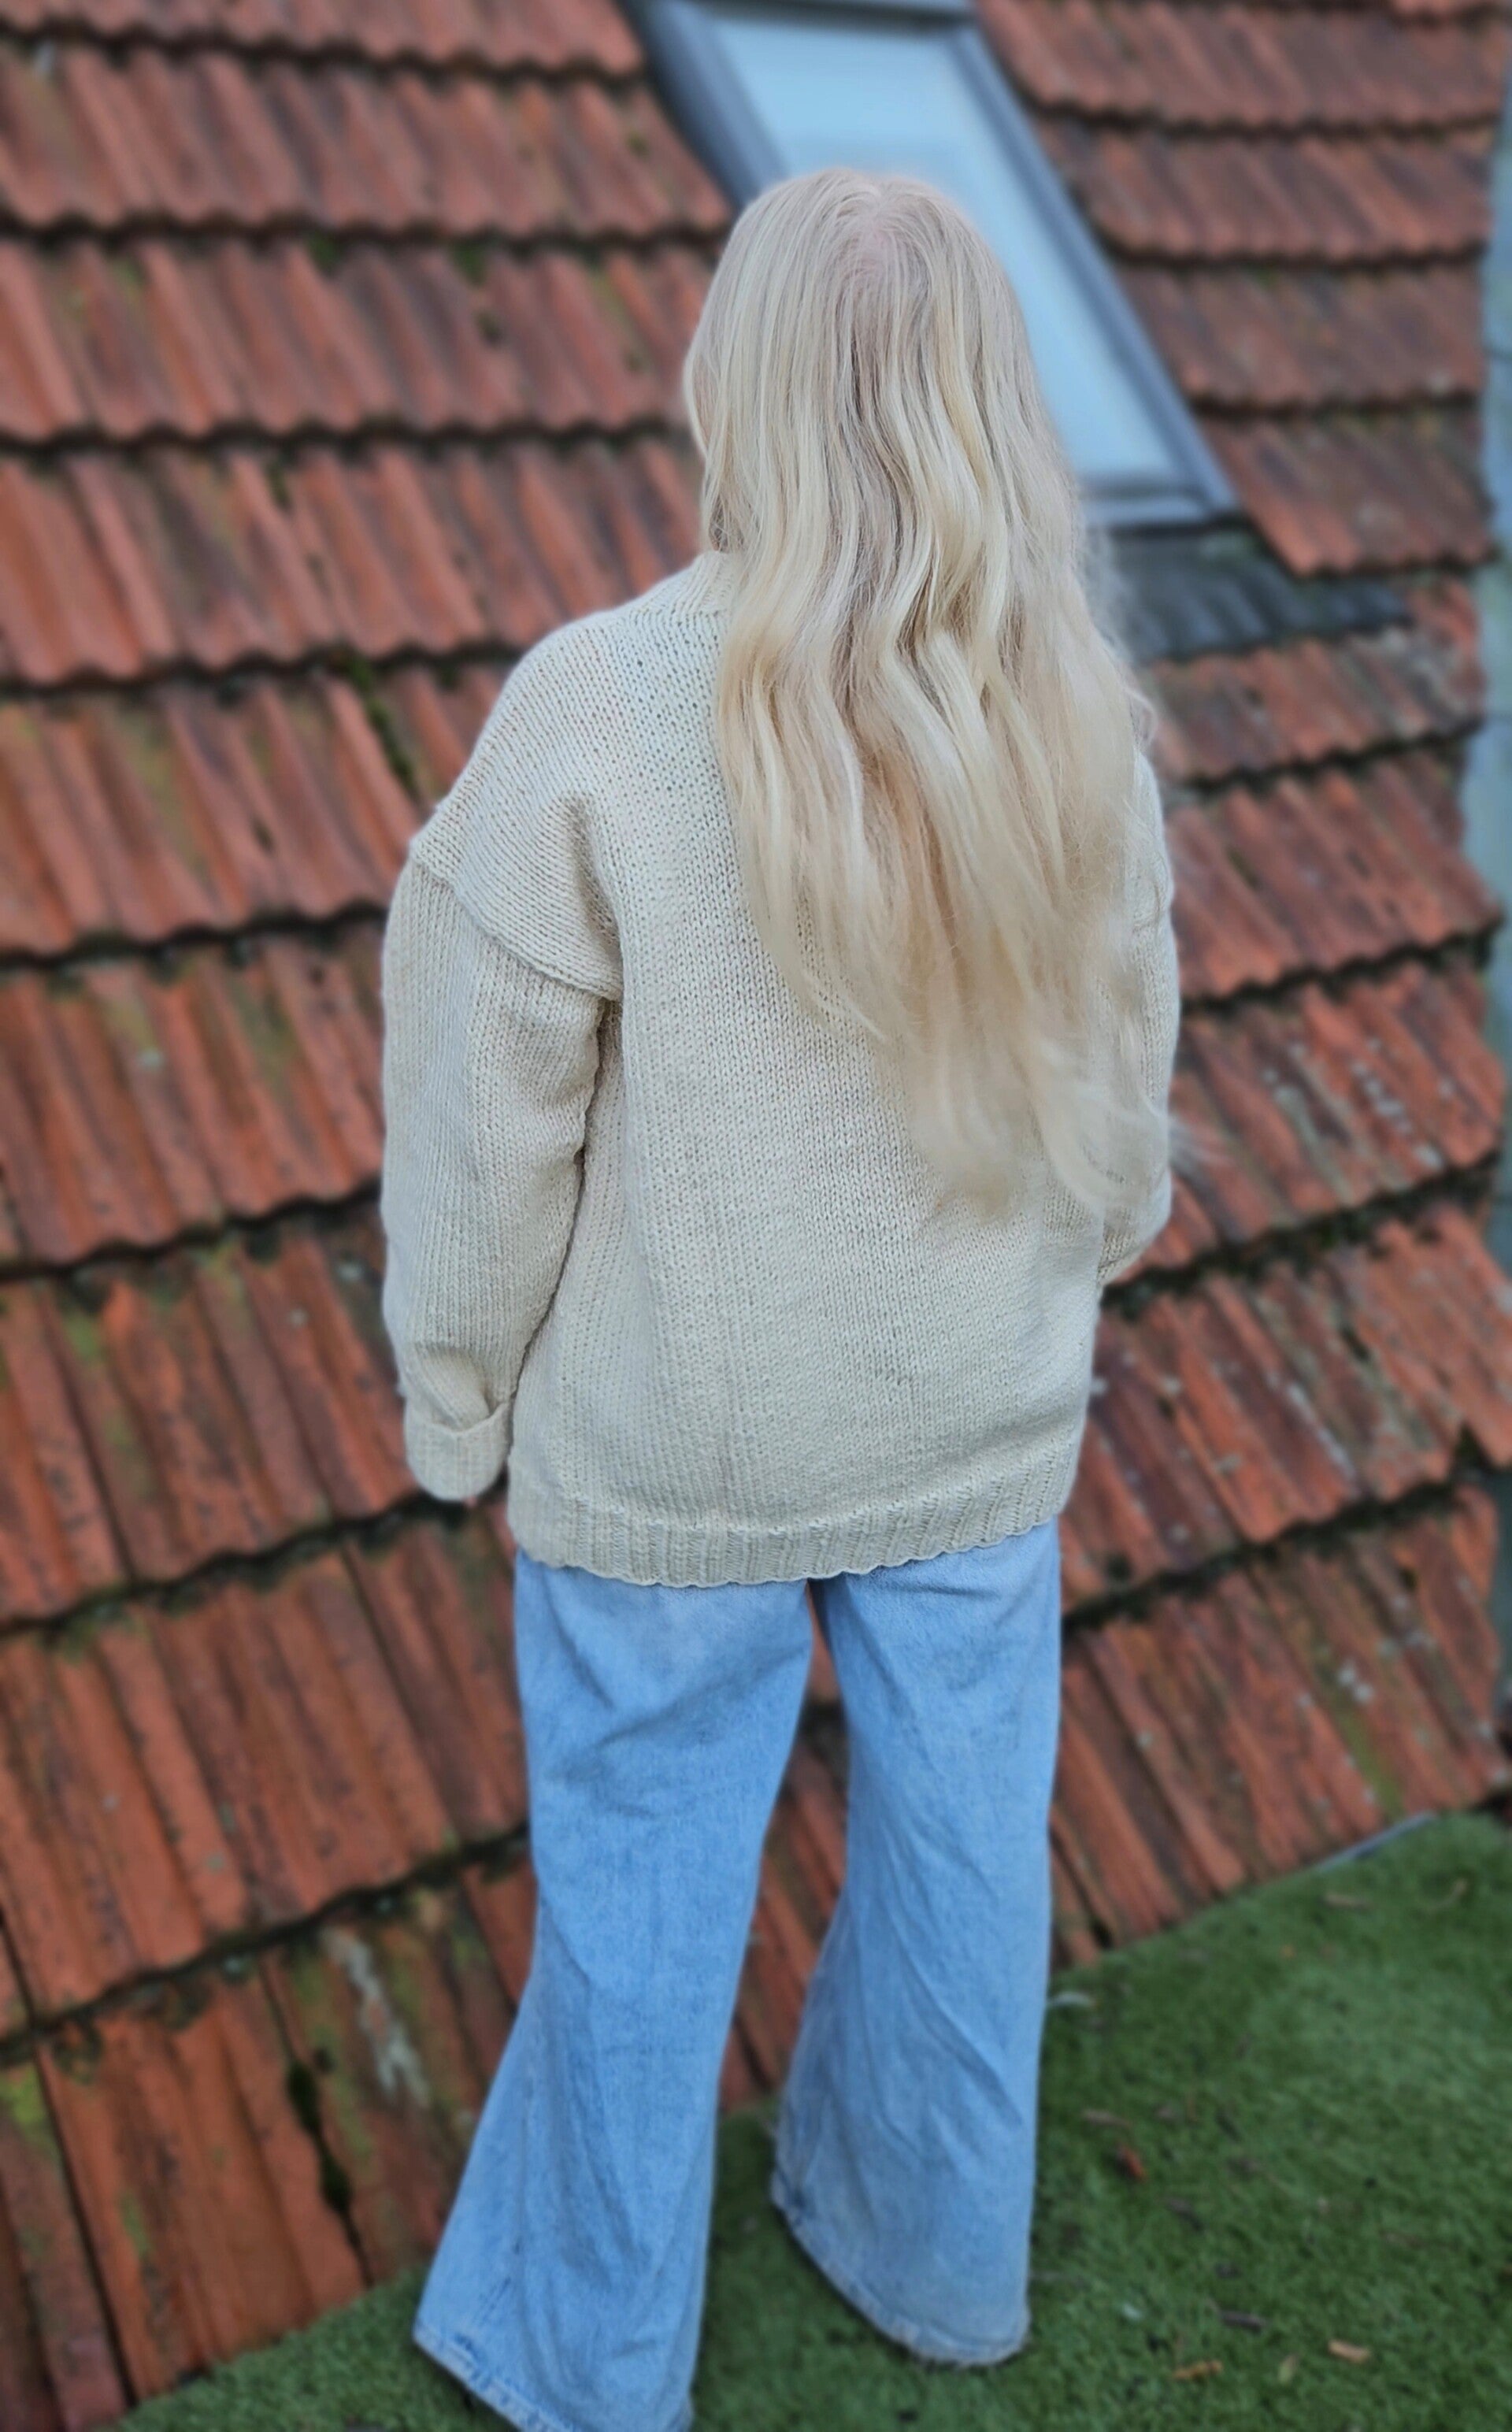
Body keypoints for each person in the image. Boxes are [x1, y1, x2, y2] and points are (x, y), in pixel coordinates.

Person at [378, 166, 1179, 2432]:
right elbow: (1126, 1078)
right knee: (962, 1873)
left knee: (639, 1908)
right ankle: (933, 2258)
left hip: (679, 1436)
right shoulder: (1074, 716)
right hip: (972, 1414)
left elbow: (483, 1116)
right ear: (988, 397)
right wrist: (1088, 1255)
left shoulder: (594, 711)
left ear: (730, 379)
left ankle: (586, 2358)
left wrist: (458, 1400)